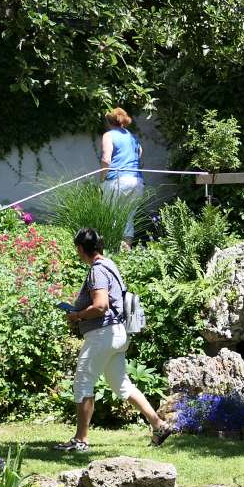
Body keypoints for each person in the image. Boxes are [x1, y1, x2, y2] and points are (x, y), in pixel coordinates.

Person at [57, 227, 172, 452]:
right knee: (121, 385)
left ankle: (81, 440)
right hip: (118, 333)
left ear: (81, 249)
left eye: (77, 249)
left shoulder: (97, 271)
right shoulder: (110, 266)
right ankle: (159, 425)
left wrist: (77, 315)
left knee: (83, 382)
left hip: (103, 334)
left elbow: (101, 305)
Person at [99, 108, 142, 242]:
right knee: (128, 219)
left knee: (111, 218)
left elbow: (106, 159)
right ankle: (126, 256)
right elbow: (140, 152)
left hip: (116, 181)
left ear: (109, 122)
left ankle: (114, 254)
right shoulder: (132, 136)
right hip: (136, 181)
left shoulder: (108, 135)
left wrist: (101, 179)